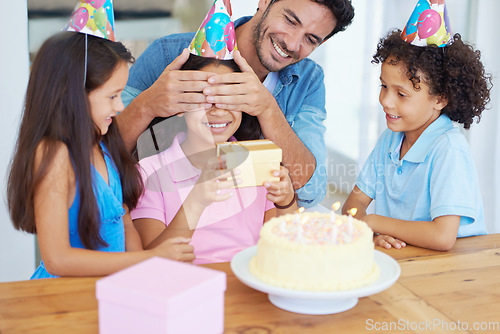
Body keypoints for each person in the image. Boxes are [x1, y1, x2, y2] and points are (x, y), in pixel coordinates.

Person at [116, 0, 355, 208]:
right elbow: (96, 161)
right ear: (265, 1)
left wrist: (267, 108)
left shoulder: (308, 80)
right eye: (291, 21)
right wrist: (146, 106)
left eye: (311, 39)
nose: (292, 44)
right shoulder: (168, 55)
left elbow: (310, 192)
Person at [6, 31, 195, 279]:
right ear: (72, 94)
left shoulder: (102, 143)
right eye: (112, 96)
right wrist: (148, 258)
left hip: (110, 290)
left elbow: (124, 222)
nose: (120, 106)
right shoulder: (54, 155)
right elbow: (57, 260)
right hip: (64, 299)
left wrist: (142, 273)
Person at [342, 1, 491, 251]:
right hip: (408, 260)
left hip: (455, 271)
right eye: (384, 87)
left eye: (401, 94)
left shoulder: (449, 150)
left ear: (440, 98)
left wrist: (375, 221)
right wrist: (371, 234)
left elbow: (442, 237)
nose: (386, 102)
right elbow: (353, 205)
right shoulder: (389, 142)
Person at [131, 50, 298, 264]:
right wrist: (196, 201)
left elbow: (289, 251)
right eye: (206, 98)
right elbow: (152, 261)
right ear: (180, 105)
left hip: (249, 285)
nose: (218, 110)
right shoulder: (150, 171)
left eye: (229, 99)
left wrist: (286, 202)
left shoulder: (260, 162)